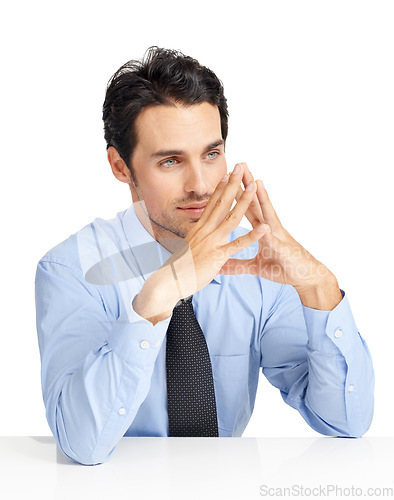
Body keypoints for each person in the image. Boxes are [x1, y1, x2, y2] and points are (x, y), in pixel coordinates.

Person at [35, 46, 374, 466]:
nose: (200, 185)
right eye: (171, 161)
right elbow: (81, 445)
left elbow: (345, 421)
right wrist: (158, 296)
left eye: (212, 154)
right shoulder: (72, 269)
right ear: (121, 167)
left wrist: (318, 286)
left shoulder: (258, 262)